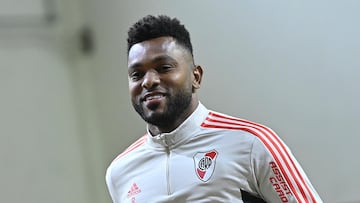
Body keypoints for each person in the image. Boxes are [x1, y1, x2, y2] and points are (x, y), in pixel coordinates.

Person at [105, 14, 323, 203]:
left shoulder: (252, 143)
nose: (148, 81)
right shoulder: (120, 172)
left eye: (164, 68)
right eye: (137, 74)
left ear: (195, 77)